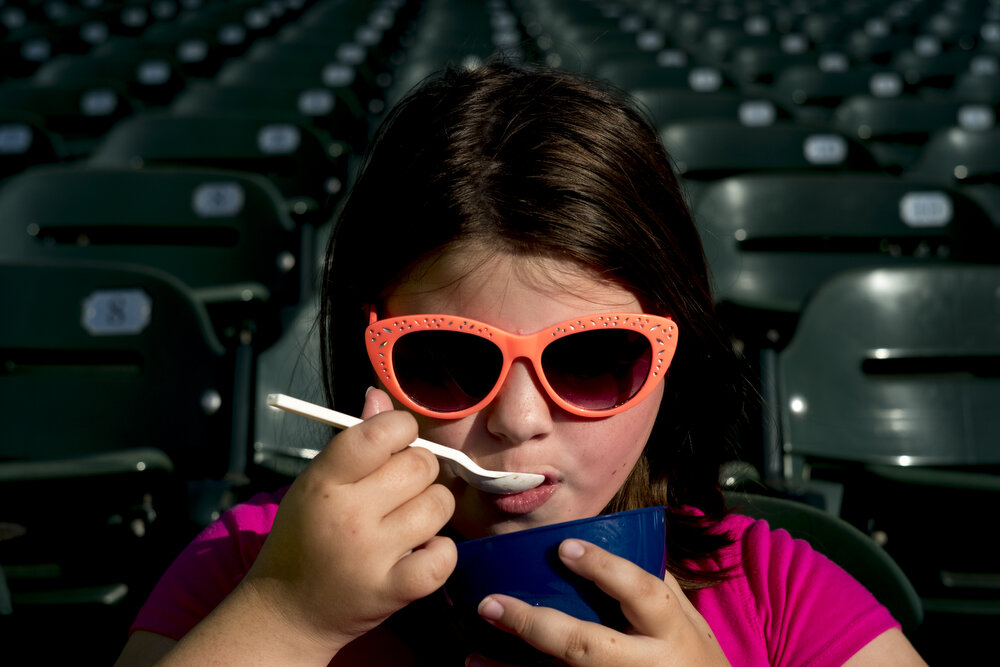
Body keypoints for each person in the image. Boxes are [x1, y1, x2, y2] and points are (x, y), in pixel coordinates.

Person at [114, 61, 926, 666]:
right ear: (370, 345)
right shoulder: (255, 564)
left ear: (670, 354)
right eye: (447, 359)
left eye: (595, 358)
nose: (519, 418)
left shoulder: (774, 594)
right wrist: (288, 620)